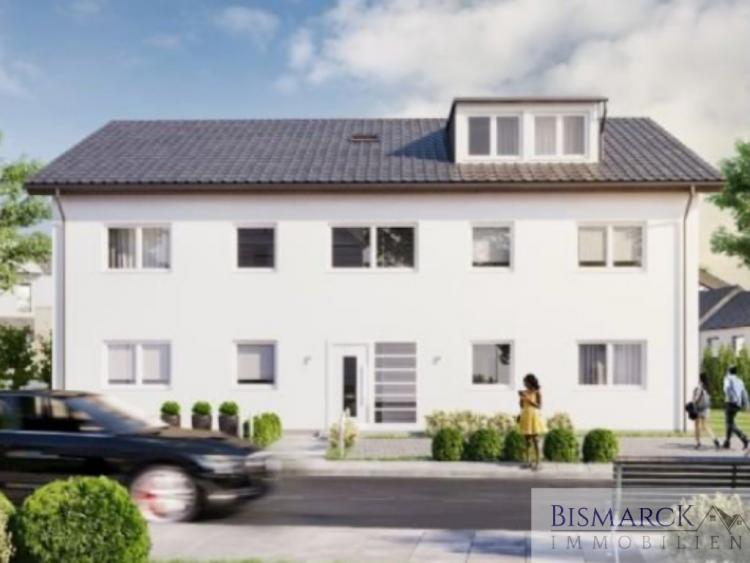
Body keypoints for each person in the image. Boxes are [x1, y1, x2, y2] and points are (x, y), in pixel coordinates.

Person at [518, 373, 545, 470]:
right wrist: (521, 398)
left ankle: (538, 462)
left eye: (525, 382)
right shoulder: (525, 392)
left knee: (536, 440)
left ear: (530, 382)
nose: (524, 384)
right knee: (527, 440)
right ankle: (528, 461)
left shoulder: (537, 392)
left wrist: (528, 399)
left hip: (534, 417)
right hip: (525, 416)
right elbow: (522, 406)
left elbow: (539, 406)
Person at [722, 366, 749, 450]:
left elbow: (726, 389)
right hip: (738, 404)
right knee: (730, 422)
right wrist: (747, 405)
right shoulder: (740, 380)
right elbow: (744, 393)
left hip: (731, 403)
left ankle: (744, 438)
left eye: (727, 371)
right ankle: (727, 442)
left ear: (729, 371)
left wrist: (731, 398)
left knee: (729, 424)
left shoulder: (727, 378)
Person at [692, 372, 720, 449]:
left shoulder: (700, 387)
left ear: (700, 379)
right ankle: (714, 439)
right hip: (706, 409)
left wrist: (693, 398)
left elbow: (696, 399)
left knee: (697, 426)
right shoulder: (708, 387)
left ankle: (698, 443)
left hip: (699, 409)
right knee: (705, 425)